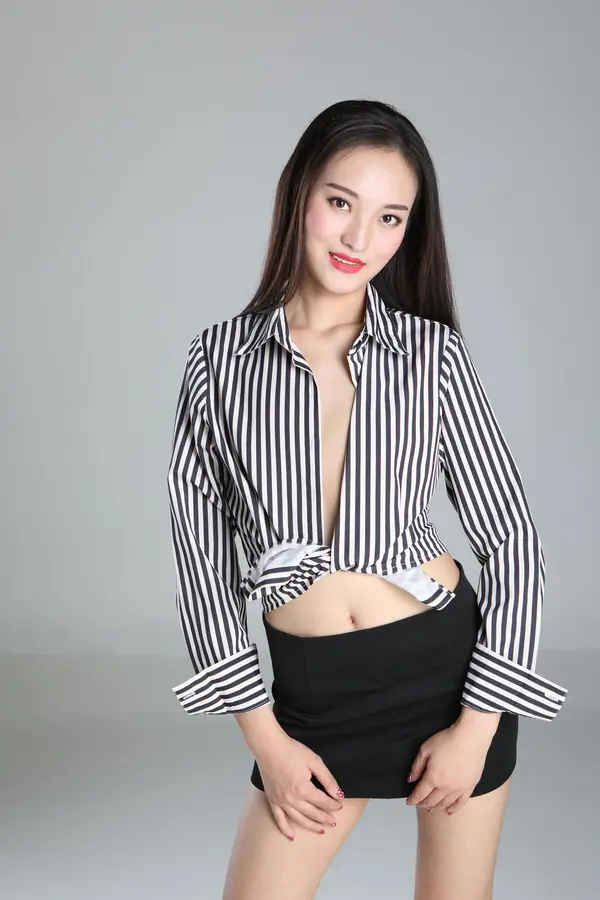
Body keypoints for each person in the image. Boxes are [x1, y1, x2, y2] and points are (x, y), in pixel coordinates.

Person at [166, 99, 568, 900]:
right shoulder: (218, 361)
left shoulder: (432, 354)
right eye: (340, 202)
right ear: (299, 193)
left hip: (449, 681)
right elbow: (201, 566)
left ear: (409, 231)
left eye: (390, 218)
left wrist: (476, 727)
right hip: (313, 694)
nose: (359, 238)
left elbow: (514, 541)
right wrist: (267, 740)